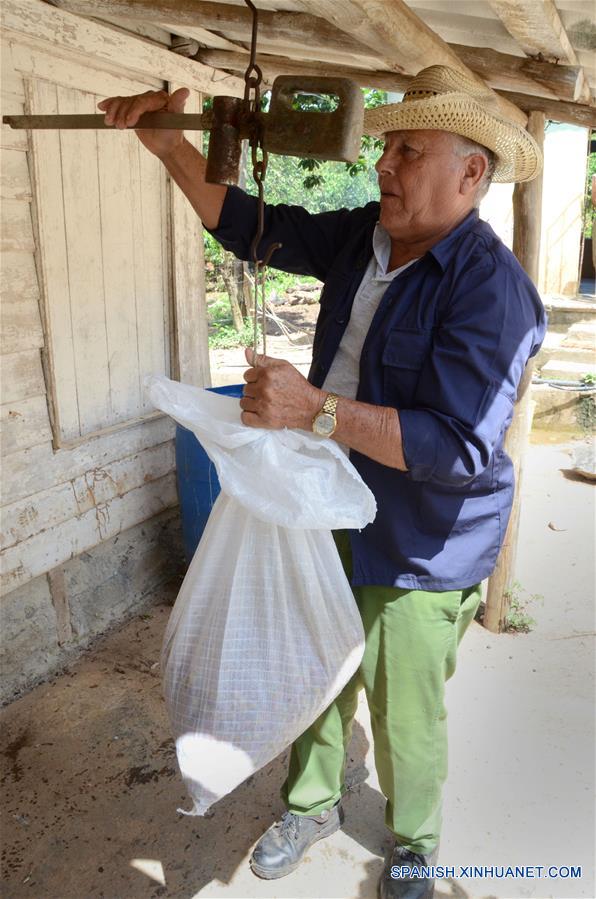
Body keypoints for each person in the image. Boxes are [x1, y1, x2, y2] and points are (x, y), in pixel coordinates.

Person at [99, 65, 547, 899]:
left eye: (409, 151)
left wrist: (318, 411)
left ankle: (413, 839)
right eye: (387, 149)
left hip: (423, 535)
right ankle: (310, 803)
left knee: (403, 707)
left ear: (471, 172)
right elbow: (253, 226)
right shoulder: (363, 237)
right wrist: (169, 146)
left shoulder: (496, 294)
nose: (385, 165)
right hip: (325, 498)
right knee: (302, 658)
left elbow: (455, 449)